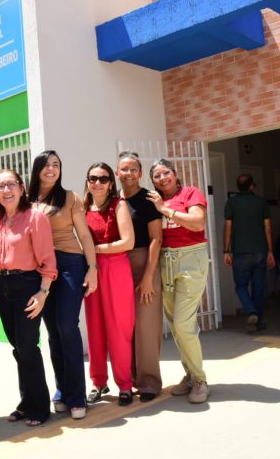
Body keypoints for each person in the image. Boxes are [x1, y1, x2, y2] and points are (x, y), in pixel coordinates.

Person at [28, 150, 98, 420]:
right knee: (53, 333)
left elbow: (84, 235)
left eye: (56, 165)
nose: (51, 169)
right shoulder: (26, 201)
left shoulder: (70, 197)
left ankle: (77, 396)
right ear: (37, 169)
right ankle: (62, 390)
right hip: (40, 269)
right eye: (46, 165)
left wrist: (92, 268)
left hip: (70, 264)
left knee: (67, 326)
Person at [0, 169, 57, 427]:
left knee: (28, 347)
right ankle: (26, 402)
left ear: (21, 188)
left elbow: (48, 259)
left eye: (11, 184)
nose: (6, 190)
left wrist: (43, 292)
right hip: (0, 285)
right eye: (0, 186)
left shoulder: (35, 217)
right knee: (18, 347)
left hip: (27, 285)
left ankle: (40, 407)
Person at [147, 158, 210, 404]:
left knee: (184, 324)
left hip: (191, 258)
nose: (163, 178)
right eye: (157, 176)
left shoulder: (190, 193)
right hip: (166, 261)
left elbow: (197, 222)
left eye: (166, 173)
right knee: (175, 325)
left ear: (175, 173)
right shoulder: (153, 200)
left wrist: (164, 209)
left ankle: (200, 379)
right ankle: (191, 374)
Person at [83, 162, 136, 406]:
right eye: (93, 178)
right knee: (95, 328)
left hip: (115, 268)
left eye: (103, 179)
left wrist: (95, 249)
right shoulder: (83, 207)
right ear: (87, 181)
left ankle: (124, 384)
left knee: (119, 327)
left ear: (110, 183)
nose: (98, 183)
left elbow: (128, 242)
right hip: (91, 270)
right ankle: (98, 382)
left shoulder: (118, 205)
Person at [116, 151, 163, 402]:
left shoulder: (147, 200)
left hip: (145, 262)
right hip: (119, 264)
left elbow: (157, 239)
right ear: (117, 172)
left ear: (141, 173)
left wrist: (147, 277)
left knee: (146, 325)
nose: (129, 173)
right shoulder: (114, 200)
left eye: (133, 169)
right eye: (124, 169)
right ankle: (129, 380)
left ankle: (149, 382)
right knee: (126, 325)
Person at [223, 174, 275, 333]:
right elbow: (268, 228)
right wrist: (270, 251)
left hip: (240, 252)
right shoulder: (261, 202)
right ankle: (258, 322)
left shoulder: (231, 202)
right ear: (252, 186)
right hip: (260, 251)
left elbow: (228, 227)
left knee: (241, 286)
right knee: (258, 287)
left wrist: (226, 250)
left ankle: (251, 311)